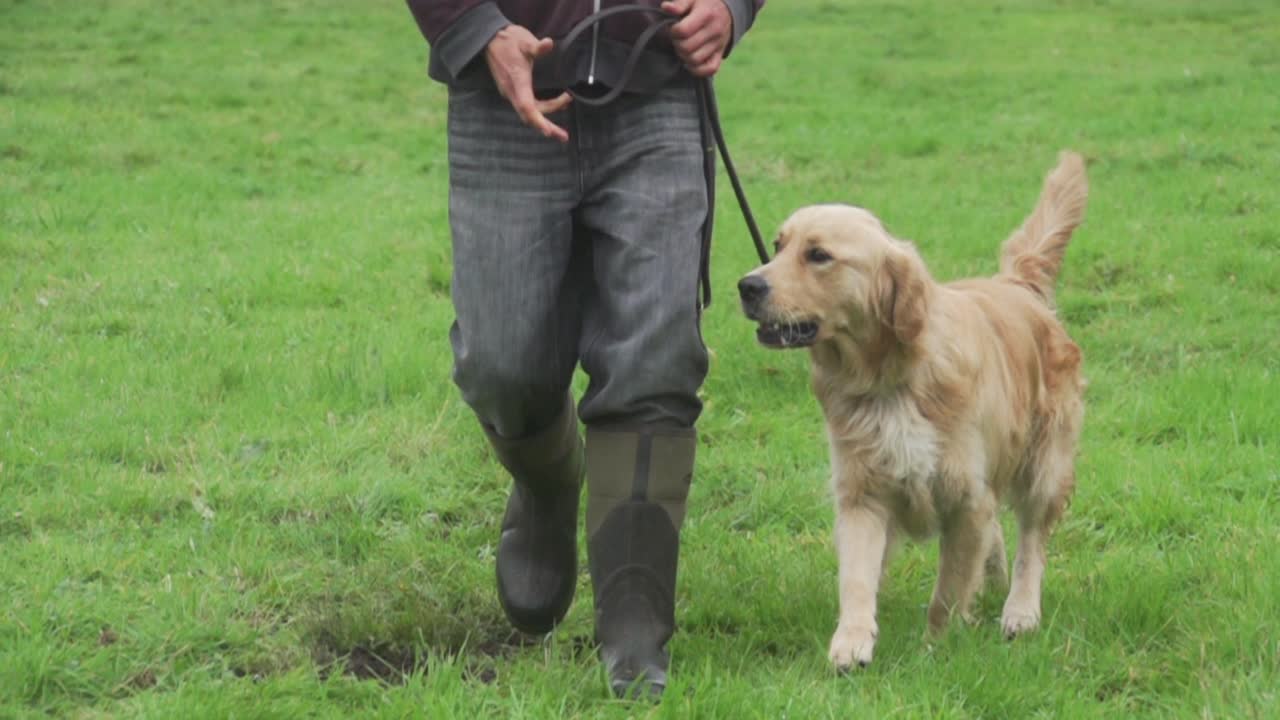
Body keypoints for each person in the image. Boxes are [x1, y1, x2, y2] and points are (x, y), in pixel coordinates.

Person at [405, 0, 766, 699]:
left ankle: (635, 627)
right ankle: (548, 483)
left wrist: (731, 7)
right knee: (503, 365)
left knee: (657, 355)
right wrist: (477, 31)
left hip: (657, 91)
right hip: (505, 93)